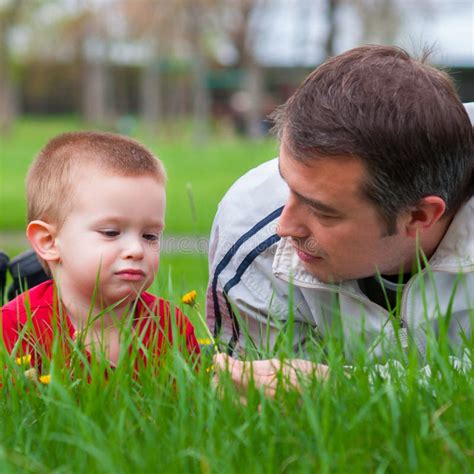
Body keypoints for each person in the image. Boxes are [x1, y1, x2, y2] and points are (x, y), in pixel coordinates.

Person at [207, 45, 474, 391]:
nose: (284, 226)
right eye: (287, 183)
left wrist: (344, 386)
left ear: (420, 215)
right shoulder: (250, 233)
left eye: (321, 211)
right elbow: (260, 406)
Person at [1, 132, 199, 374]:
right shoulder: (15, 328)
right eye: (110, 232)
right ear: (49, 241)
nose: (136, 250)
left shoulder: (171, 328)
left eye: (150, 236)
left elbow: (191, 404)